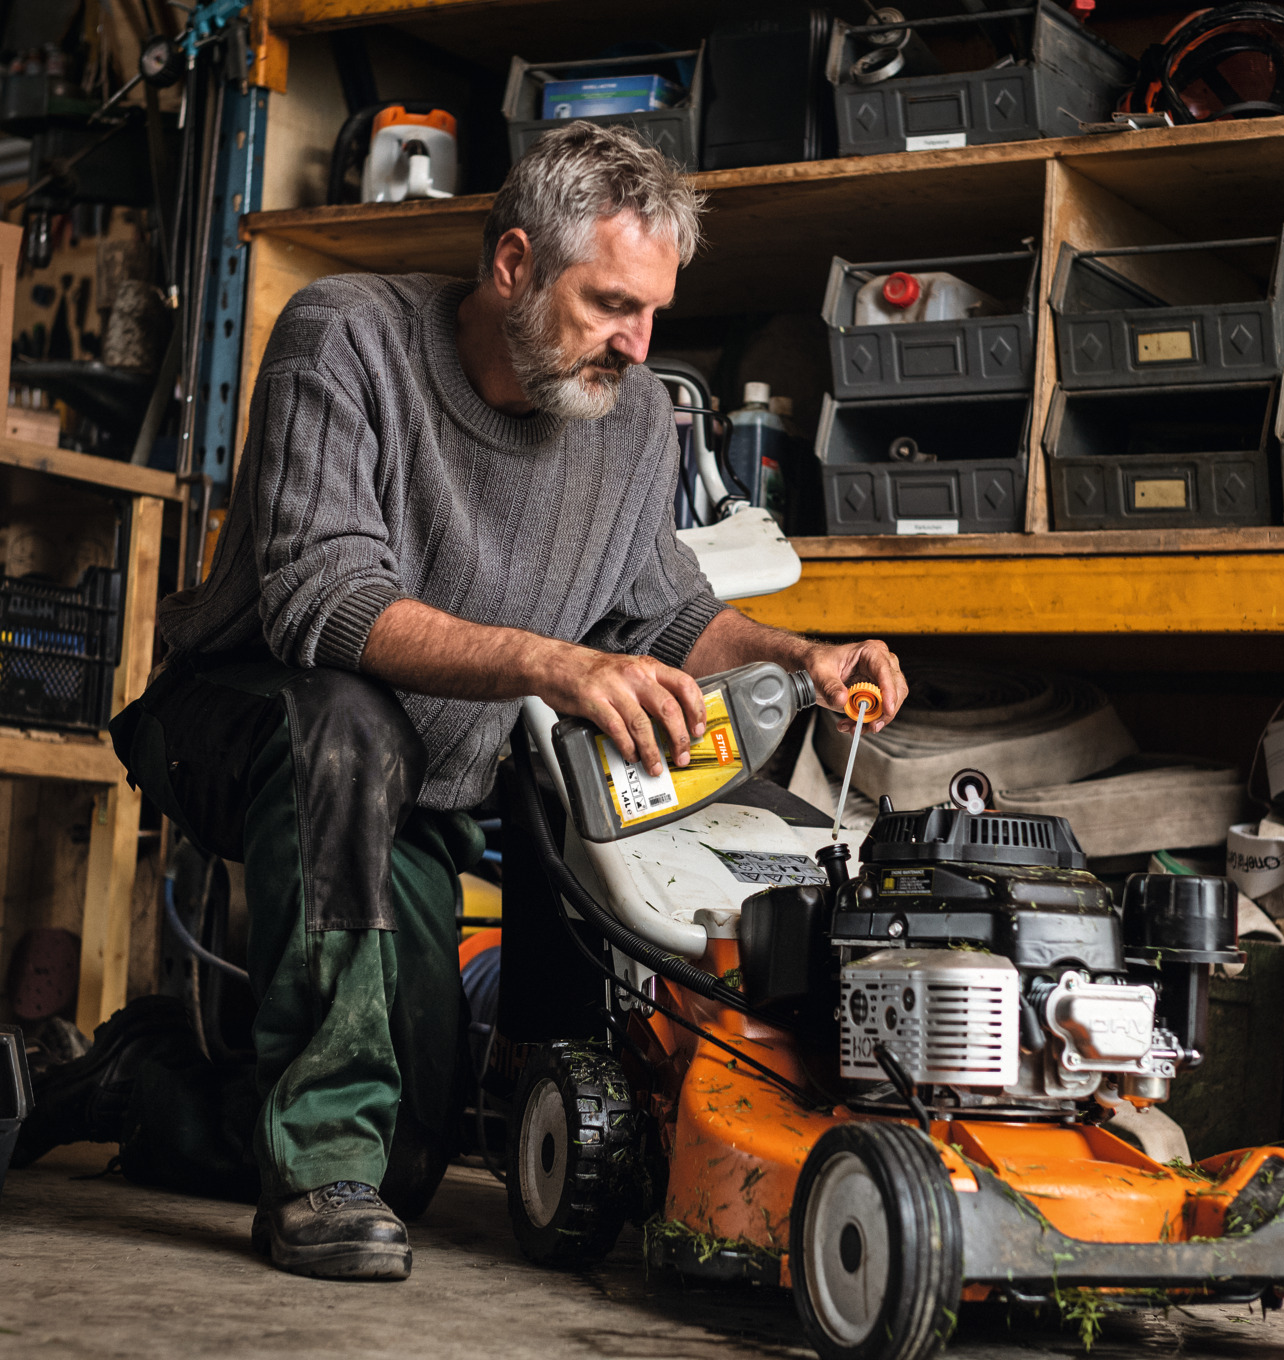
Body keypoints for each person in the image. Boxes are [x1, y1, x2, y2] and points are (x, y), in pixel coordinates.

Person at [114, 121, 907, 1283]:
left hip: (416, 793)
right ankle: (315, 1170)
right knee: (346, 716)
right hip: (248, 726)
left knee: (411, 1160)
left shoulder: (634, 419)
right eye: (610, 304)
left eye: (654, 313)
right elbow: (321, 603)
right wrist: (553, 662)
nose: (638, 344)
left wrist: (800, 655)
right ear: (514, 264)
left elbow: (665, 613)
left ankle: (140, 1085)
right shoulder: (344, 337)